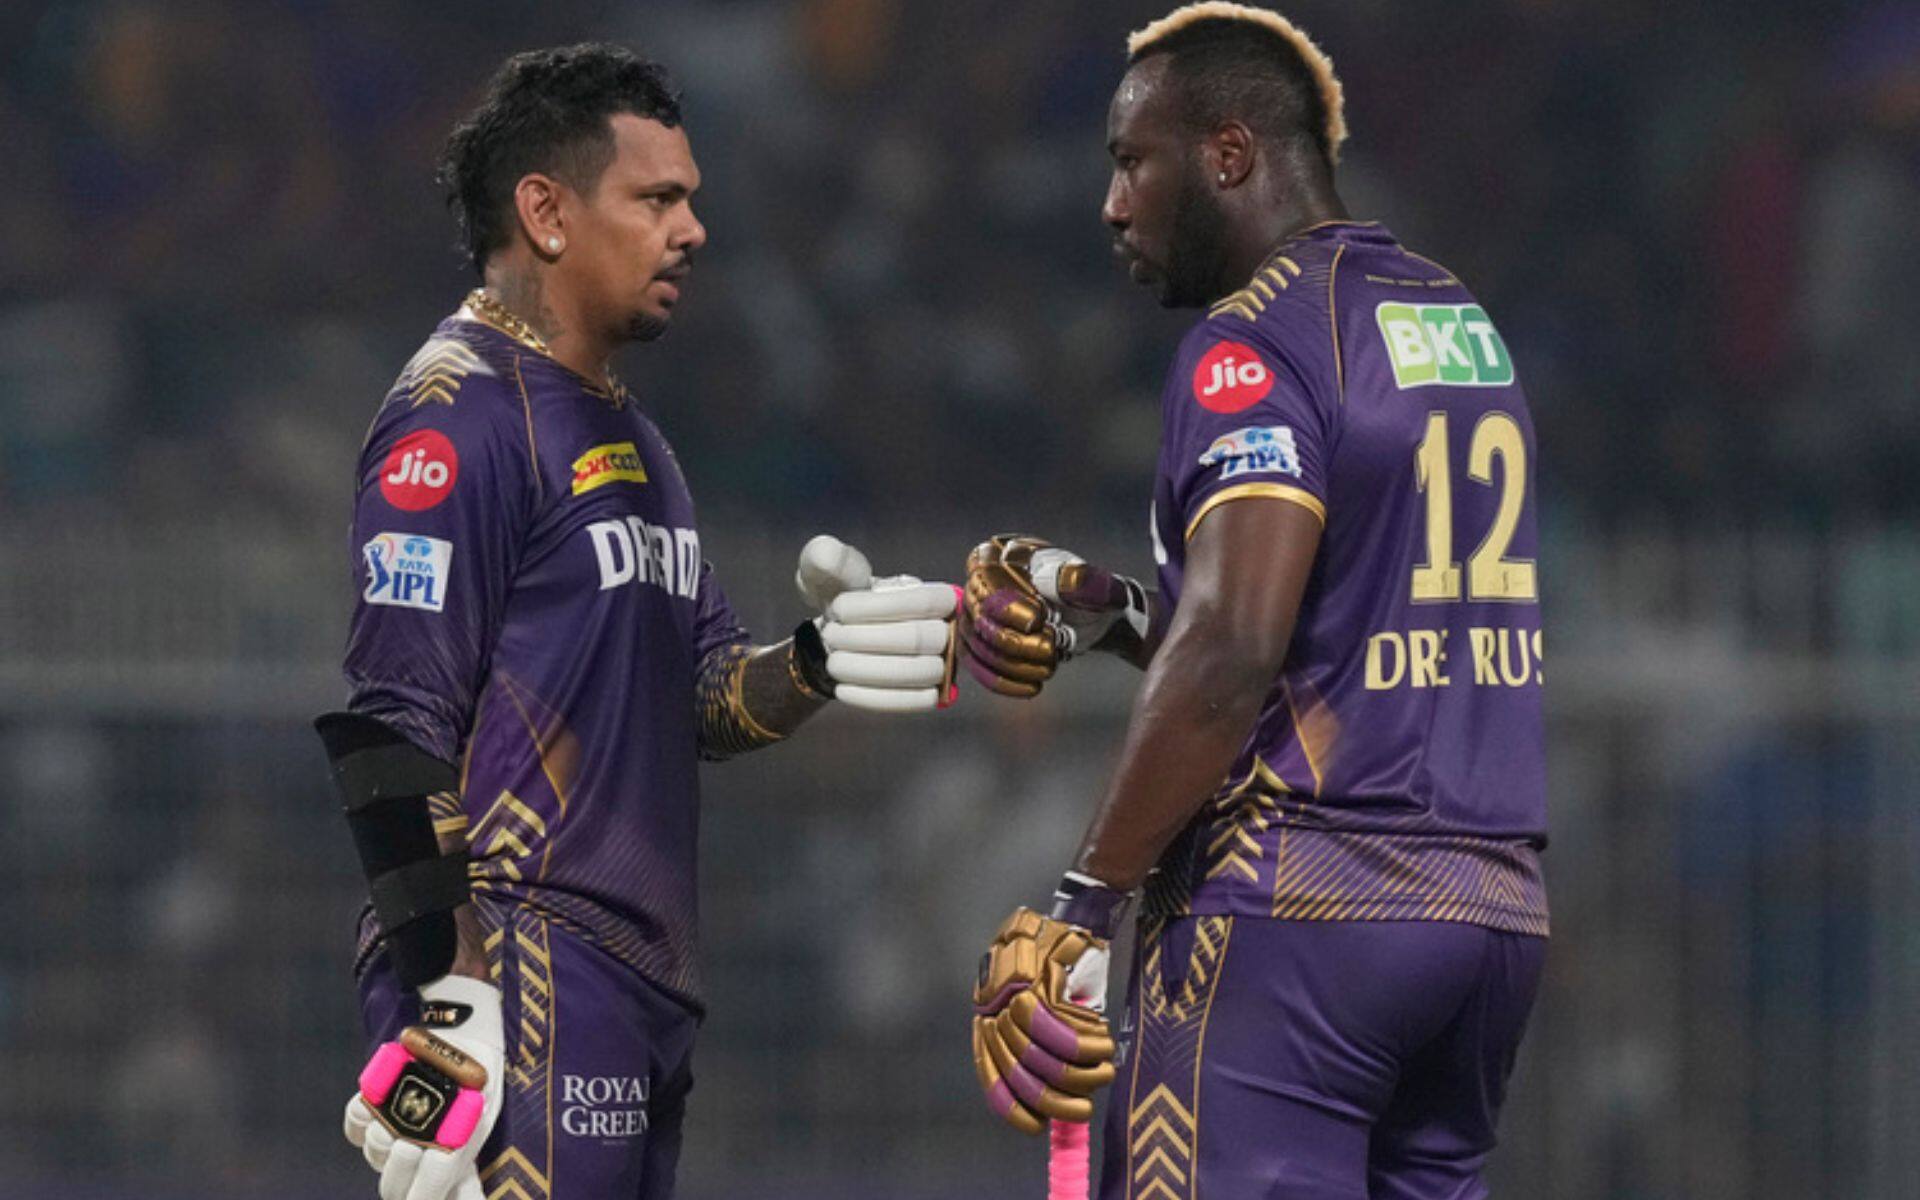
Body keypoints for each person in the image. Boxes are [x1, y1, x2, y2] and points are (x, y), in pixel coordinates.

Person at [314, 44, 959, 1200]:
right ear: (548, 213)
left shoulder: (634, 439)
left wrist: (815, 663)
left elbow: (702, 695)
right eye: (658, 198)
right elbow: (391, 733)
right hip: (524, 958)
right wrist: (454, 994)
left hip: (634, 978)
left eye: (691, 199)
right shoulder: (454, 420)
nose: (694, 229)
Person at [964, 6, 1549, 1197]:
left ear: (1228, 155)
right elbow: (1315, 630)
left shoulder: (1254, 343)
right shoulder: (1453, 317)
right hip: (1487, 925)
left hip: (1300, 925)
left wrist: (1085, 901)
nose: (1114, 205)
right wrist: (1103, 609)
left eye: (1134, 162)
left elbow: (1231, 652)